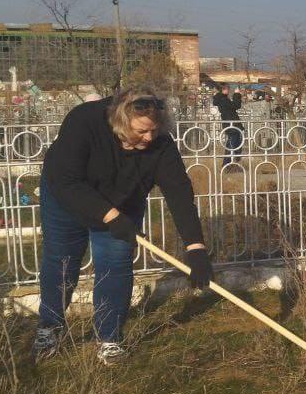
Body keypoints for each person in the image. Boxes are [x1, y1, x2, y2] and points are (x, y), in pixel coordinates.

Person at [36, 90, 213, 364]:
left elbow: (179, 192)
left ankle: (109, 338)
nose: (149, 138)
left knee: (115, 263)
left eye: (154, 130)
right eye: (142, 132)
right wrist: (110, 216)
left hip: (124, 200)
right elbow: (66, 180)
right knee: (62, 260)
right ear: (121, 122)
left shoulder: (160, 144)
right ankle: (50, 327)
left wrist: (195, 247)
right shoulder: (84, 121)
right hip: (67, 198)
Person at [212, 83, 244, 163]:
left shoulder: (222, 98)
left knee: (236, 143)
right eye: (227, 89)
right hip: (231, 124)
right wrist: (237, 94)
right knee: (232, 144)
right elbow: (236, 105)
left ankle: (234, 162)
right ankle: (227, 163)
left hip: (231, 123)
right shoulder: (223, 99)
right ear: (223, 90)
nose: (228, 90)